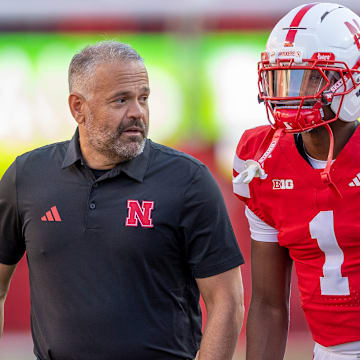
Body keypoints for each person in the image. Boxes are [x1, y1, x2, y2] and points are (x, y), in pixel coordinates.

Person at [0, 41, 244, 360]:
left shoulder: (189, 180)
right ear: (78, 108)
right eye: (120, 100)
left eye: (143, 98)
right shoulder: (27, 175)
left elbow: (228, 301)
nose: (137, 113)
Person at [233, 3, 360, 360]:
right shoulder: (262, 160)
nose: (292, 92)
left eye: (312, 77)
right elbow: (268, 303)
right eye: (283, 77)